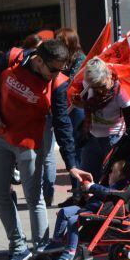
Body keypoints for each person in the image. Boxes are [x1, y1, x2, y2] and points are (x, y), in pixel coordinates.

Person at [0, 39, 88, 260]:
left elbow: (62, 123)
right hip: (0, 136)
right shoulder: (12, 57)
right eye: (53, 69)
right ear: (39, 60)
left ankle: (42, 253)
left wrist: (71, 165)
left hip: (30, 142)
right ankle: (18, 247)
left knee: (33, 197)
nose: (56, 74)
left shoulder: (58, 84)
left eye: (61, 69)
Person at [40, 159, 129, 260]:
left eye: (112, 172)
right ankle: (57, 242)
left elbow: (107, 193)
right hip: (89, 208)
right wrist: (90, 194)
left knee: (73, 220)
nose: (109, 174)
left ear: (120, 176)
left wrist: (92, 187)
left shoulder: (119, 187)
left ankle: (70, 251)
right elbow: (103, 193)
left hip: (99, 212)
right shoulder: (110, 186)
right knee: (64, 212)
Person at [72, 58, 130, 183]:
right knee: (86, 176)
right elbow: (87, 105)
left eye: (102, 86)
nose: (100, 91)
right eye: (95, 88)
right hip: (91, 136)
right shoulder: (88, 84)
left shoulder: (121, 91)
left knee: (109, 178)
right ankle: (85, 200)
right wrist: (81, 104)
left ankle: (104, 202)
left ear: (108, 76)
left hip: (113, 139)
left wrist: (126, 145)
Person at [52, 27, 87, 208]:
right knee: (70, 150)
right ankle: (76, 193)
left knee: (77, 151)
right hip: (66, 108)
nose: (59, 44)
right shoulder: (63, 59)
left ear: (71, 43)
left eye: (62, 41)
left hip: (77, 110)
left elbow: (71, 83)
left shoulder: (80, 59)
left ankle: (80, 194)